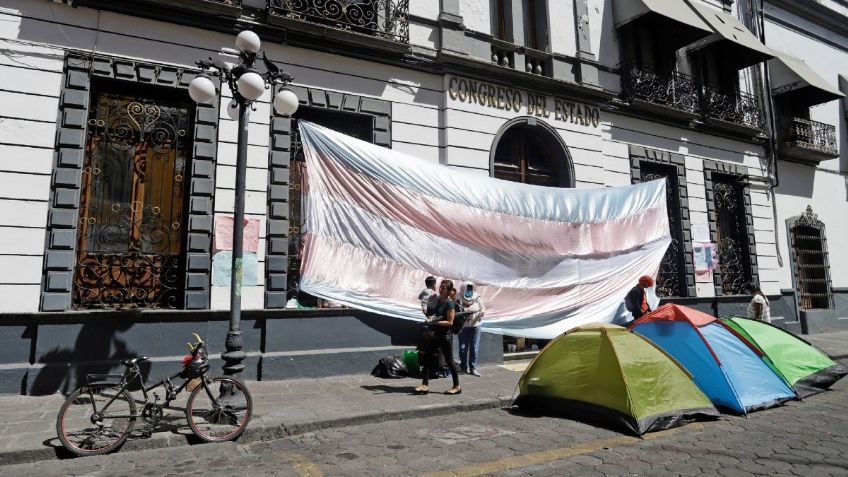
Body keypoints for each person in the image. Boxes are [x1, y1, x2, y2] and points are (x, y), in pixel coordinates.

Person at [415, 279, 461, 395]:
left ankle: (457, 386)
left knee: (449, 361)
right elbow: (432, 314)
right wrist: (428, 315)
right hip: (435, 335)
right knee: (427, 358)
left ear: (448, 291)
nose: (440, 289)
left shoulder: (449, 303)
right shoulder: (438, 300)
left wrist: (434, 323)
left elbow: (450, 322)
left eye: (443, 288)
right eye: (440, 287)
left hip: (445, 336)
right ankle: (424, 385)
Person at [457, 282, 485, 377]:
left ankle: (473, 368)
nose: (468, 290)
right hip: (463, 326)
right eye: (467, 288)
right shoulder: (458, 297)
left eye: (470, 288)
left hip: (475, 325)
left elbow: (483, 308)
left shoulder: (477, 297)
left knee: (474, 347)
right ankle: (463, 368)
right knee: (462, 348)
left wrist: (481, 313)